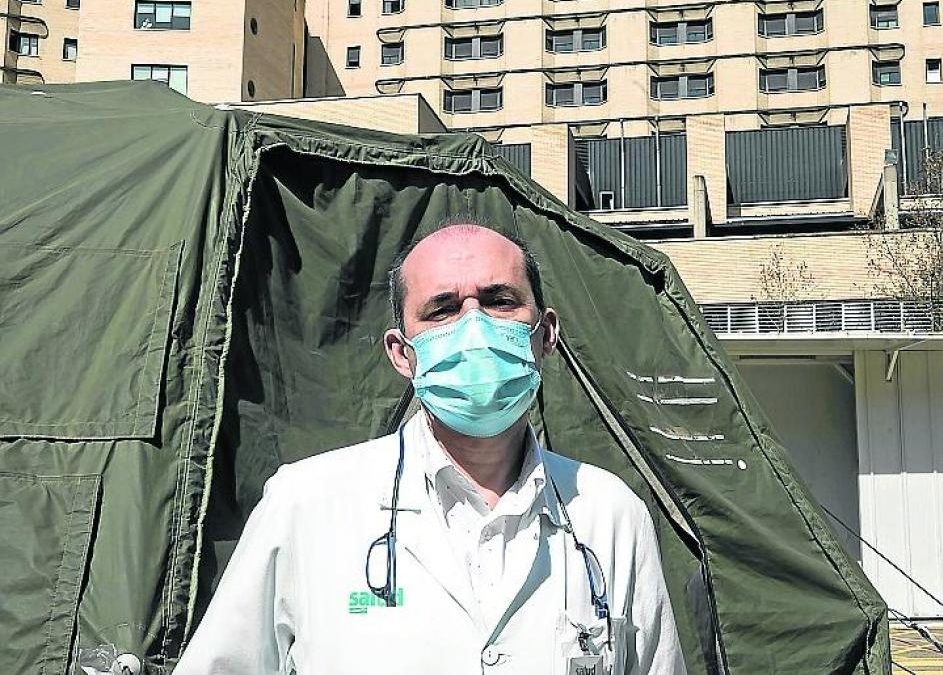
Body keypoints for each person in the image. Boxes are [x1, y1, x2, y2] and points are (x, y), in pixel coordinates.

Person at [174, 222, 686, 675]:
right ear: (402, 354)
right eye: (443, 309)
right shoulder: (304, 505)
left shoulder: (610, 515)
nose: (474, 327)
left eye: (500, 301)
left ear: (545, 334)